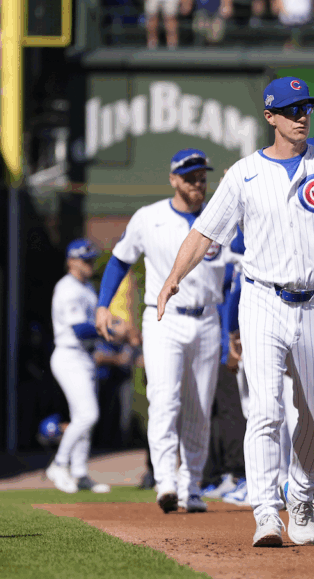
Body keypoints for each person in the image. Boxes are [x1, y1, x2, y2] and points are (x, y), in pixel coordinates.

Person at [156, 30, 314, 547]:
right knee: (266, 409)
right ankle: (266, 511)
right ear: (270, 116)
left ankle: (301, 494)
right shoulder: (245, 174)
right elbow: (204, 233)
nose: (301, 116)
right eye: (290, 109)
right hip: (263, 299)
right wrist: (172, 279)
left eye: (306, 107)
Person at [96, 149, 229, 514]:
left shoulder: (220, 217)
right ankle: (166, 481)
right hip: (163, 318)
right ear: (173, 179)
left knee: (200, 408)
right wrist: (103, 304)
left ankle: (193, 485)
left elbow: (238, 268)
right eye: (189, 177)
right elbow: (120, 260)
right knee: (164, 398)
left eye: (202, 176)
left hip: (207, 317)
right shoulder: (149, 217)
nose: (197, 183)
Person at [45, 238, 125, 495]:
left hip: (84, 357)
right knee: (88, 415)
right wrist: (111, 329)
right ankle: (59, 464)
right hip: (69, 355)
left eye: (91, 259)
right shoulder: (67, 288)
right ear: (71, 261)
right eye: (84, 259)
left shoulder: (87, 287)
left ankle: (79, 472)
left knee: (84, 417)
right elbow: (79, 329)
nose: (89, 263)